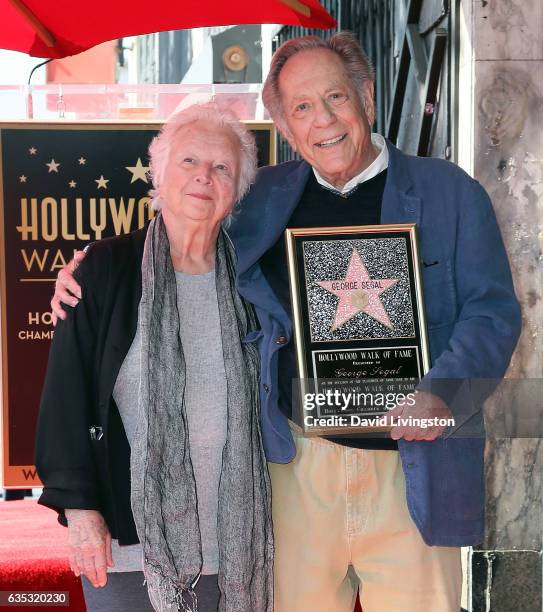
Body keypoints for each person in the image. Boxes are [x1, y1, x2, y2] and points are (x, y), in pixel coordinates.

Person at [51, 33, 521, 612]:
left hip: (413, 467)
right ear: (285, 125)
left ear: (367, 98)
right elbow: (184, 226)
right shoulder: (261, 201)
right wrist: (85, 273)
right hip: (295, 471)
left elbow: (493, 313)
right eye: (301, 108)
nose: (322, 120)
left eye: (336, 98)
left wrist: (443, 396)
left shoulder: (451, 193)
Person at [36, 103, 273, 612]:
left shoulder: (257, 278)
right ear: (158, 173)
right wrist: (79, 511)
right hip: (128, 543)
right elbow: (66, 397)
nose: (203, 178)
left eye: (222, 167)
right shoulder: (104, 269)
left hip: (238, 546)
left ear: (238, 190)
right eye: (189, 161)